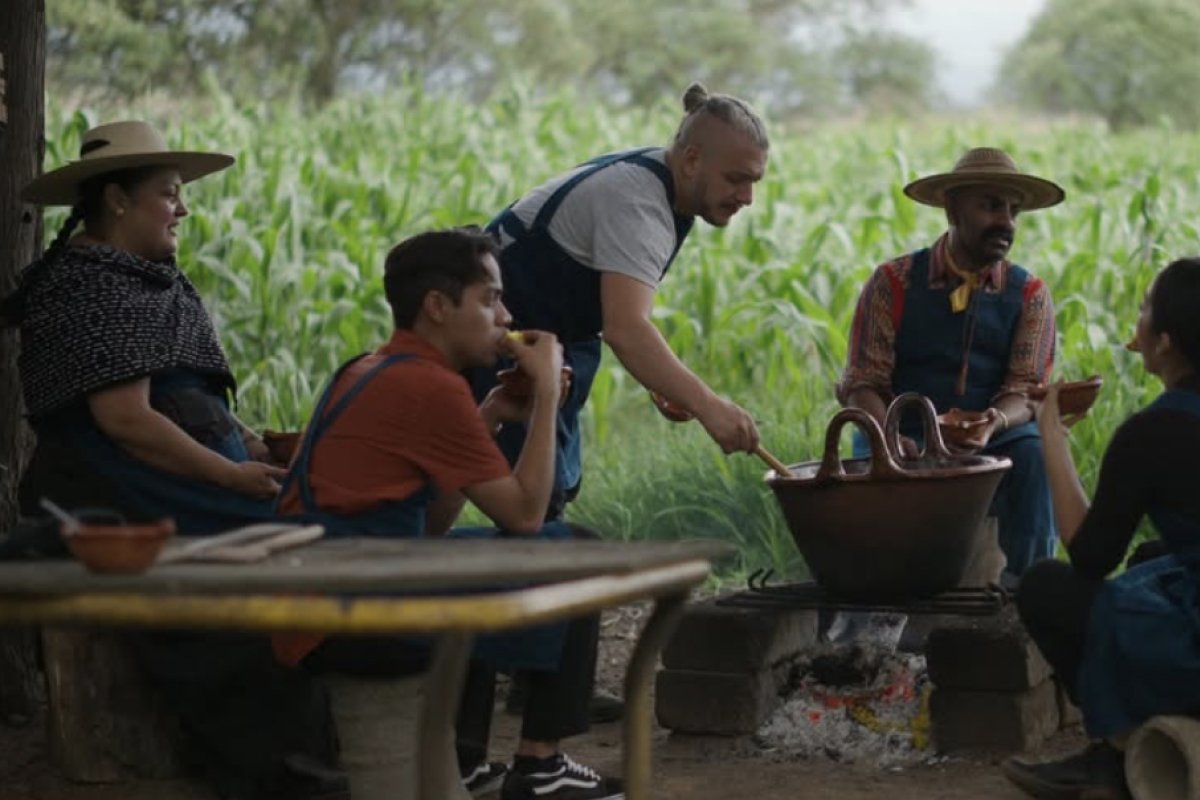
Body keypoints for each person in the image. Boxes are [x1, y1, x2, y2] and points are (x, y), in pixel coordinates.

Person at [2, 121, 341, 800]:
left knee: (314, 531)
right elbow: (125, 420)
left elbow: (183, 393)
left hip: (168, 466)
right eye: (168, 194)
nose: (182, 209)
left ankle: (324, 746)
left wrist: (246, 439)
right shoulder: (91, 286)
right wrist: (228, 474)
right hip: (112, 480)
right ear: (118, 201)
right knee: (256, 561)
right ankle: (284, 765)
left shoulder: (149, 280)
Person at [275, 227, 622, 800]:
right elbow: (527, 516)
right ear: (437, 307)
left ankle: (467, 764)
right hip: (350, 611)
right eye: (489, 299)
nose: (507, 316)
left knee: (470, 554)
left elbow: (430, 525)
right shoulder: (429, 386)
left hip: (328, 592)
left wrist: (493, 413)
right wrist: (547, 401)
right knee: (576, 549)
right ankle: (541, 763)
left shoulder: (368, 367)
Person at [470, 81, 769, 520]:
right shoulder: (640, 205)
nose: (747, 197)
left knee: (550, 495)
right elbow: (627, 329)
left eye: (754, 181)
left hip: (555, 339)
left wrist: (664, 382)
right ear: (691, 160)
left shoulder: (666, 182)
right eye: (736, 179)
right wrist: (710, 408)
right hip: (499, 335)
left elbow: (622, 310)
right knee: (531, 505)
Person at [1002, 257, 1200, 800]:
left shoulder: (1154, 433)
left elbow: (1090, 556)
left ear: (1163, 343)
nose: (1134, 319)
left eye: (1144, 307)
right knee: (1151, 562)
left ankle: (1112, 753)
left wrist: (1051, 438)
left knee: (1045, 587)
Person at [838, 147, 1065, 578]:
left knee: (1033, 454)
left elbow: (1025, 391)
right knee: (871, 469)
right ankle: (873, 592)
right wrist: (890, 435)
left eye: (1013, 210)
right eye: (990, 205)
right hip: (898, 430)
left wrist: (993, 423)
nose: (1006, 222)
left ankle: (1031, 591)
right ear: (952, 208)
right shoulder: (893, 283)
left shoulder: (1029, 294)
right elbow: (863, 382)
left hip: (992, 437)